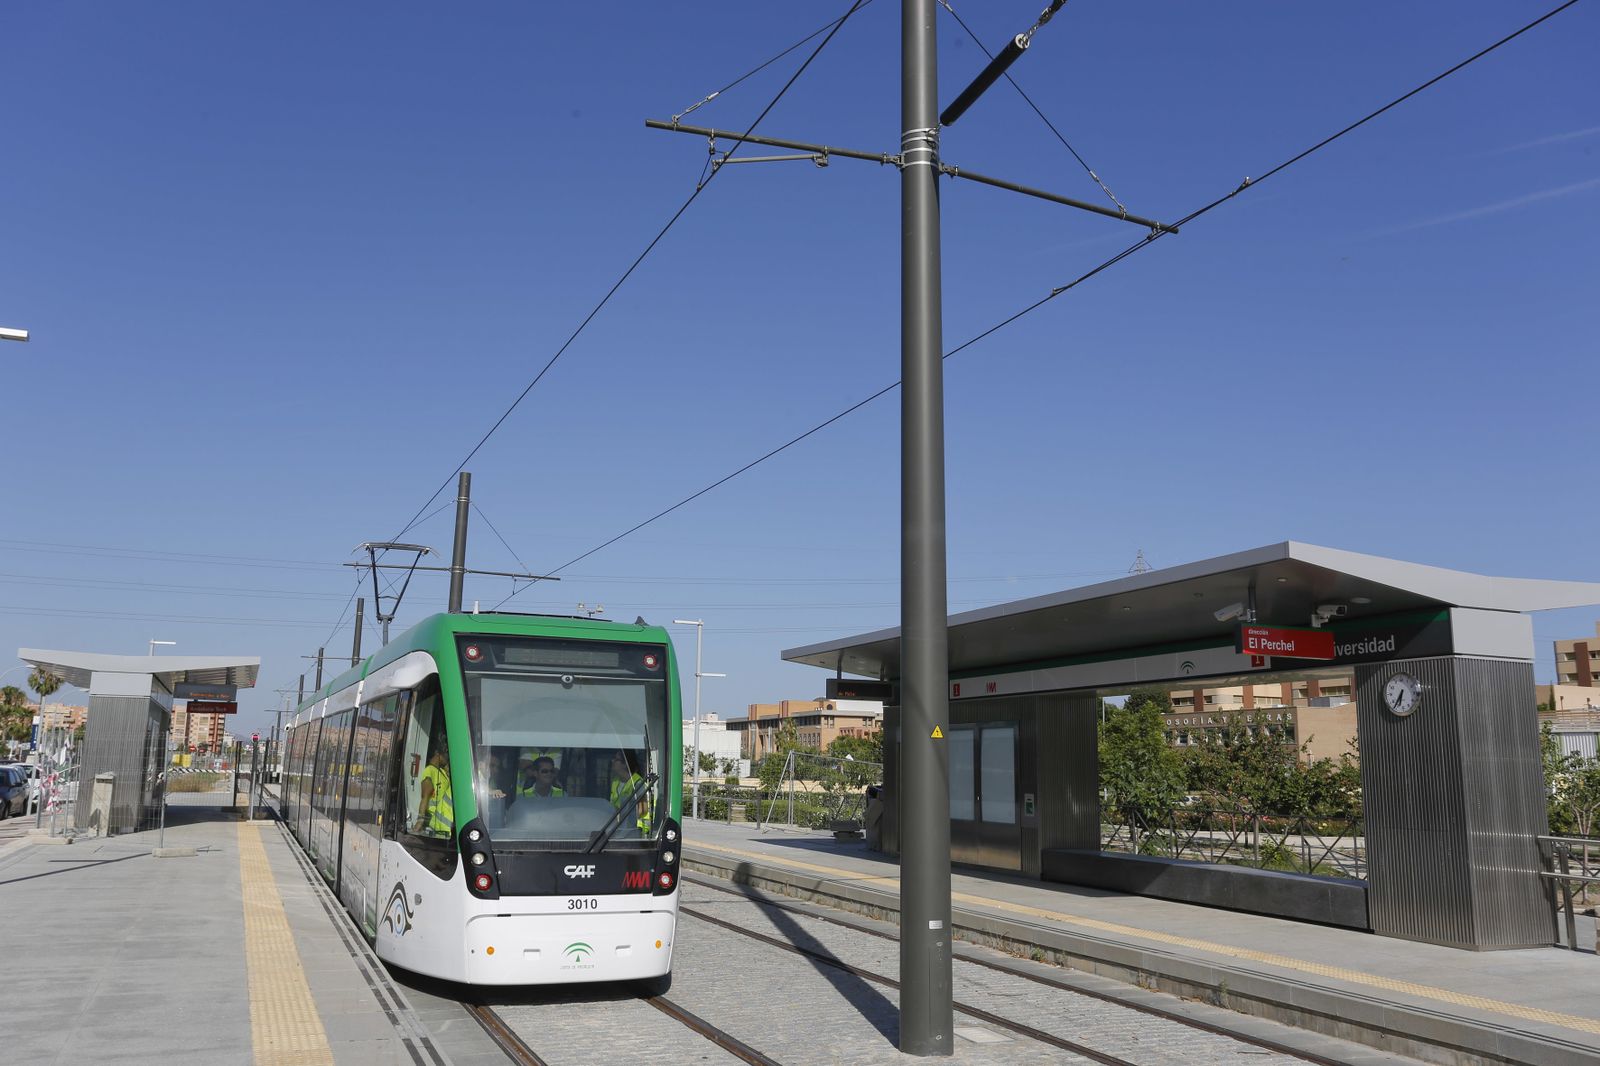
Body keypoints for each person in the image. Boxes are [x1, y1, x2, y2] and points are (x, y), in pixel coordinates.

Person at [415, 739, 453, 836]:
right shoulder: (429, 771)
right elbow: (425, 797)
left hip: (446, 823)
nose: (448, 760)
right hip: (437, 823)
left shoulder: (442, 772)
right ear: (439, 755)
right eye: (447, 757)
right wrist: (420, 821)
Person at [609, 750, 651, 833]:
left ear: (625, 764)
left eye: (616, 759)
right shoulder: (615, 782)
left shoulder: (638, 783)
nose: (612, 761)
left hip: (636, 830)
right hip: (619, 828)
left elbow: (642, 810)